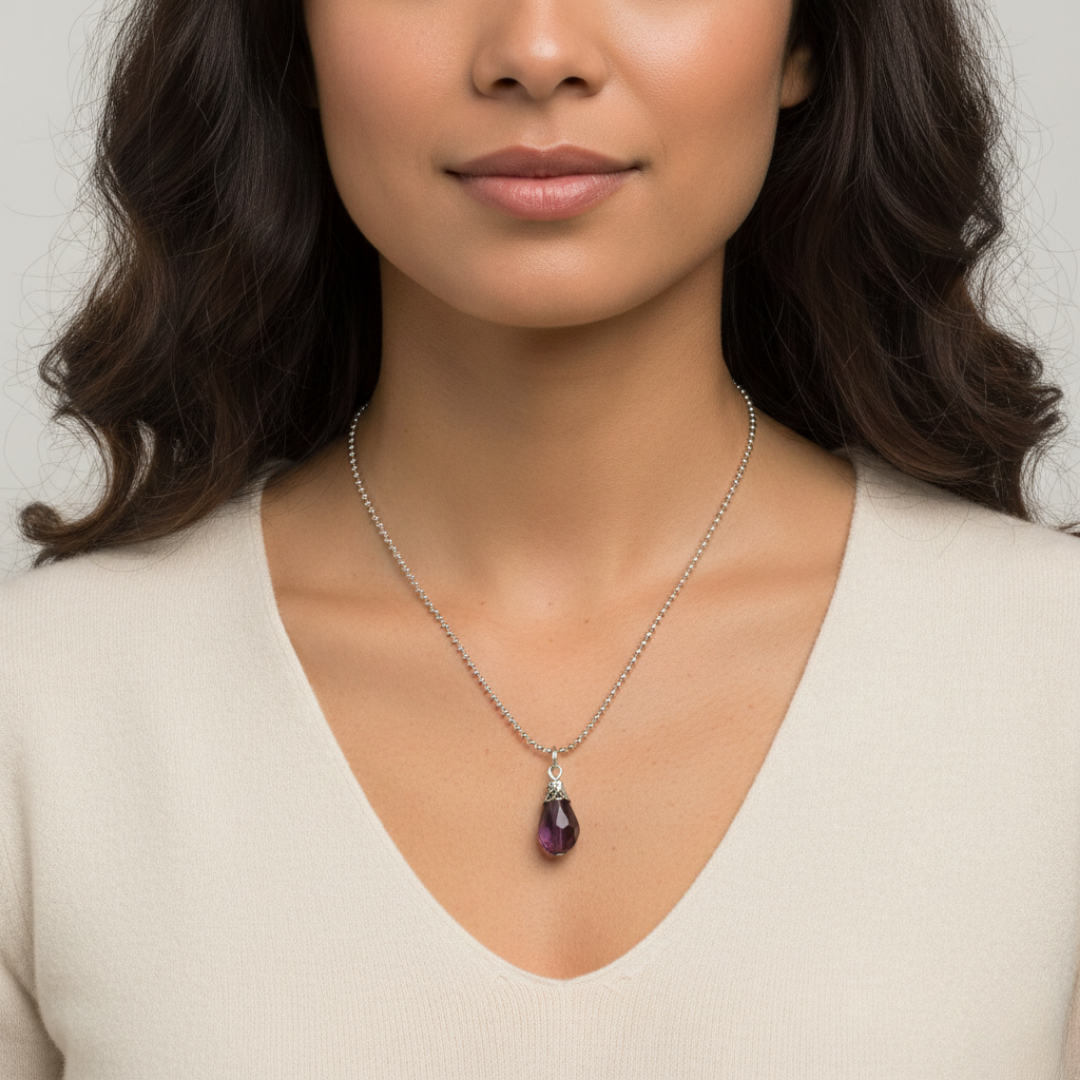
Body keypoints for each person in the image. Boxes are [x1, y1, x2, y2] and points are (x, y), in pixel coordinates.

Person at [1, 0, 1078, 1074]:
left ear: (809, 39)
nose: (538, 52)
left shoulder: (1050, 675)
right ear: (291, 39)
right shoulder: (43, 709)